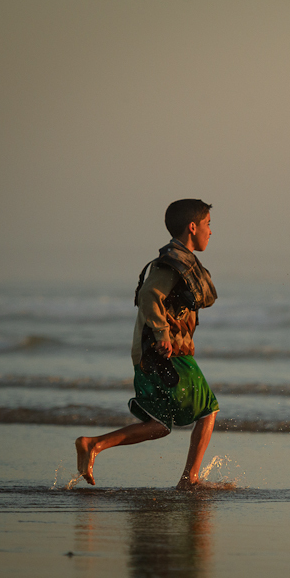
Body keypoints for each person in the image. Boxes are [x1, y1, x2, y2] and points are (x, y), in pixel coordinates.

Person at [75, 199, 220, 489]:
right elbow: (149, 296)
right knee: (208, 409)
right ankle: (189, 479)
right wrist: (163, 334)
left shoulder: (178, 261)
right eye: (207, 225)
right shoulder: (171, 264)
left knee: (160, 424)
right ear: (193, 227)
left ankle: (94, 444)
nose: (210, 231)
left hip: (151, 354)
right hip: (167, 353)